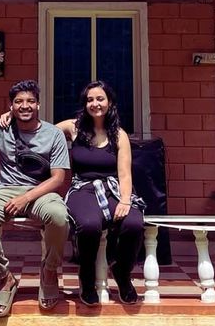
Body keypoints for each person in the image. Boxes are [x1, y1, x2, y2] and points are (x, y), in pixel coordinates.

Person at [0, 79, 70, 317]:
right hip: (6, 190)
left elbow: (58, 178)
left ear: (38, 105)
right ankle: (5, 277)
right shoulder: (1, 128)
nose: (25, 106)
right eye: (19, 102)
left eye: (30, 101)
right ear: (11, 106)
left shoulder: (53, 134)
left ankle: (49, 271)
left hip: (41, 190)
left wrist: (26, 198)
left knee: (59, 217)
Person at [58, 80, 145, 306]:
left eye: (100, 99)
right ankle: (87, 279)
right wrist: (10, 117)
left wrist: (126, 200)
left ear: (110, 102)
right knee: (88, 225)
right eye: (90, 100)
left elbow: (125, 174)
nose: (95, 104)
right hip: (82, 189)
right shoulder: (73, 127)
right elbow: (41, 130)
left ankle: (122, 273)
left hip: (113, 189)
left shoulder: (119, 135)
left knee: (134, 224)